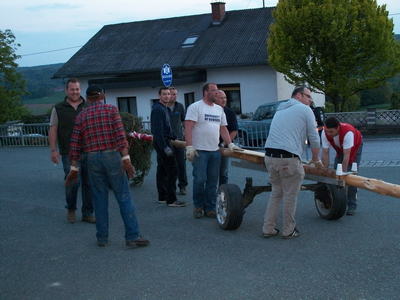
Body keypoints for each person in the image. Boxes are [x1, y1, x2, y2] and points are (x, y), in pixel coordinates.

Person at [66, 85, 149, 248]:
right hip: (112, 156)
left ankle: (102, 237)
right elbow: (120, 136)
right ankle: (132, 236)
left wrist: (74, 168)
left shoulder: (81, 116)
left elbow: (75, 144)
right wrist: (126, 159)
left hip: (92, 159)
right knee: (124, 197)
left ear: (88, 99)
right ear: (102, 96)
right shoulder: (112, 110)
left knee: (99, 198)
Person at [263, 86, 321, 239]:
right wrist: (316, 159)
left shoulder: (281, 109)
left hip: (269, 155)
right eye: (309, 96)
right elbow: (313, 137)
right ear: (299, 95)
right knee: (290, 195)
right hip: (288, 157)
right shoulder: (305, 109)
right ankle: (289, 230)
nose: (310, 100)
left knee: (276, 193)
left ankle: (268, 228)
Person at [185, 83, 242, 218]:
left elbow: (223, 129)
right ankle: (198, 206)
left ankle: (209, 207)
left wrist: (230, 144)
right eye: (214, 91)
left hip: (214, 150)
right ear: (206, 92)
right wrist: (189, 146)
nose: (216, 93)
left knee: (212, 180)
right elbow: (188, 127)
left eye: (217, 91)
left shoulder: (219, 110)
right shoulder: (195, 107)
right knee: (200, 179)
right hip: (199, 150)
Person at [49, 78, 95, 224]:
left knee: (89, 183)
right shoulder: (58, 108)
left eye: (77, 89)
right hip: (68, 152)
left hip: (88, 151)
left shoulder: (88, 106)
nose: (75, 92)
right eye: (72, 89)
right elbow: (53, 129)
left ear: (80, 90)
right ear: (66, 90)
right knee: (72, 183)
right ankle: (71, 208)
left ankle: (88, 213)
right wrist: (53, 150)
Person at [151, 87, 186, 207]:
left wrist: (175, 136)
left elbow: (167, 127)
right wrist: (165, 147)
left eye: (168, 94)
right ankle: (171, 199)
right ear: (159, 95)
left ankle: (163, 196)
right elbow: (157, 131)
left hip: (166, 140)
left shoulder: (164, 108)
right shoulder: (158, 109)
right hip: (163, 142)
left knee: (162, 169)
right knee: (172, 170)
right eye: (164, 94)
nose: (167, 96)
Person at [322, 116, 363, 215]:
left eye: (331, 132)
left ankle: (352, 205)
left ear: (338, 128)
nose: (328, 134)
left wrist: (343, 175)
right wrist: (324, 171)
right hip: (341, 148)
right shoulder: (325, 132)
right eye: (327, 131)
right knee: (335, 173)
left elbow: (347, 156)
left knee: (351, 176)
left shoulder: (348, 133)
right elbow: (325, 153)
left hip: (355, 147)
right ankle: (336, 203)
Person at [168, 87, 188, 195]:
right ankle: (170, 187)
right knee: (169, 164)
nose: (174, 96)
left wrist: (187, 135)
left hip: (179, 139)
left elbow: (184, 121)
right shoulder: (163, 107)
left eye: (176, 94)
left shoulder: (180, 106)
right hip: (167, 140)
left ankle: (183, 186)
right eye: (172, 94)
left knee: (181, 163)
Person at [215, 90, 238, 186]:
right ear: (215, 99)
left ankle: (222, 194)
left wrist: (224, 144)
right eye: (221, 98)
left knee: (223, 173)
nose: (224, 100)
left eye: (225, 98)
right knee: (211, 174)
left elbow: (234, 131)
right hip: (210, 147)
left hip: (224, 147)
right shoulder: (210, 111)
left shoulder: (230, 112)